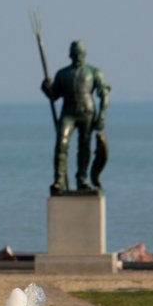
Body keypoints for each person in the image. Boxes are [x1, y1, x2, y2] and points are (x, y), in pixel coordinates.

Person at [41, 40, 110, 194]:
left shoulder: (93, 72)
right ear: (70, 54)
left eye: (80, 53)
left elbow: (105, 94)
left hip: (87, 112)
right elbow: (54, 95)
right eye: (75, 53)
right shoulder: (62, 74)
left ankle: (82, 179)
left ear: (84, 54)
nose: (78, 56)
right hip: (68, 112)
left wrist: (102, 117)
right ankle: (59, 180)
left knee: (84, 146)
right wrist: (46, 89)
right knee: (61, 143)